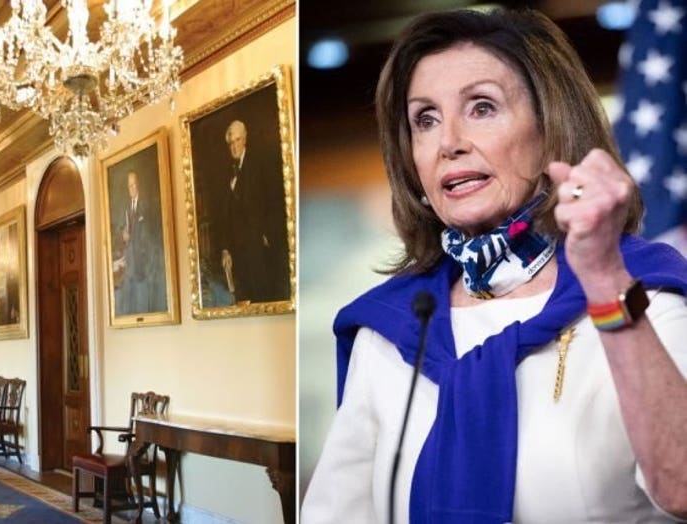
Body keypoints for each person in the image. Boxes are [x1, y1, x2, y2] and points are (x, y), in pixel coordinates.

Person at [302, 9, 687, 523]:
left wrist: (603, 279)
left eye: (482, 107)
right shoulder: (390, 326)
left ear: (551, 129)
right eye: (425, 120)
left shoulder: (644, 293)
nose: (448, 142)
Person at [216, 119, 289, 304]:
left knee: (262, 294)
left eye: (238, 140)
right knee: (244, 298)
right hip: (237, 249)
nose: (234, 146)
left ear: (245, 139)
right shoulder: (226, 171)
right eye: (231, 143)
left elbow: (274, 199)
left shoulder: (259, 163)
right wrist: (225, 248)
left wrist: (267, 234)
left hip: (258, 242)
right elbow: (224, 214)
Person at [114, 171, 165, 315]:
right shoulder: (126, 207)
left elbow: (152, 234)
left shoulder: (147, 205)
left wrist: (147, 263)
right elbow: (121, 229)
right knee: (131, 305)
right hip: (130, 264)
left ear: (139, 185)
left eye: (134, 185)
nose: (132, 189)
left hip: (144, 264)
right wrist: (123, 233)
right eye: (129, 186)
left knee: (144, 304)